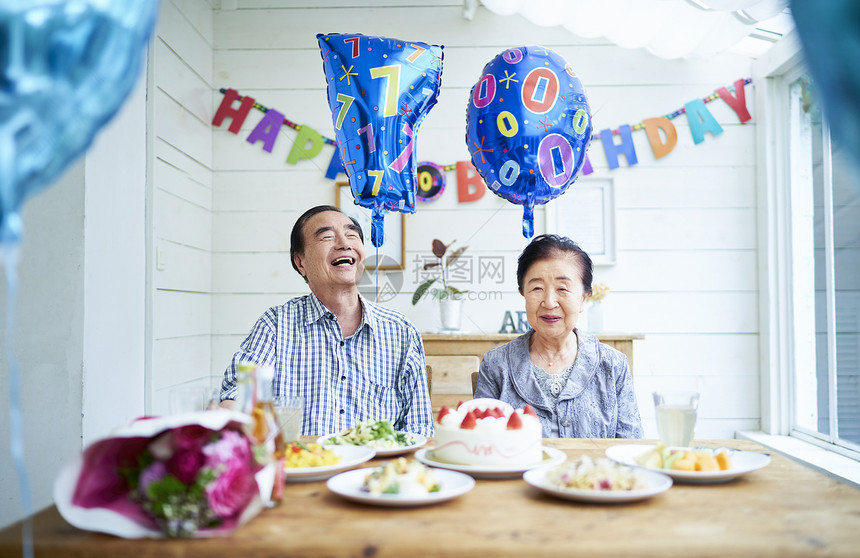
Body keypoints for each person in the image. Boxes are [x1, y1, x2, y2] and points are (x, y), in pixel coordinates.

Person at [219, 205, 434, 437]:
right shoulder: (276, 324)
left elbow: (419, 428)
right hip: (300, 468)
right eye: (327, 237)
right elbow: (237, 398)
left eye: (352, 235)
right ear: (300, 263)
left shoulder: (400, 332)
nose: (345, 243)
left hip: (375, 471)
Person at [475, 234, 642, 438]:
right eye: (537, 288)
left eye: (562, 289)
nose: (549, 302)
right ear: (523, 294)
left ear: (583, 298)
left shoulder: (614, 364)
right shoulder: (496, 365)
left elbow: (629, 447)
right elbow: (481, 444)